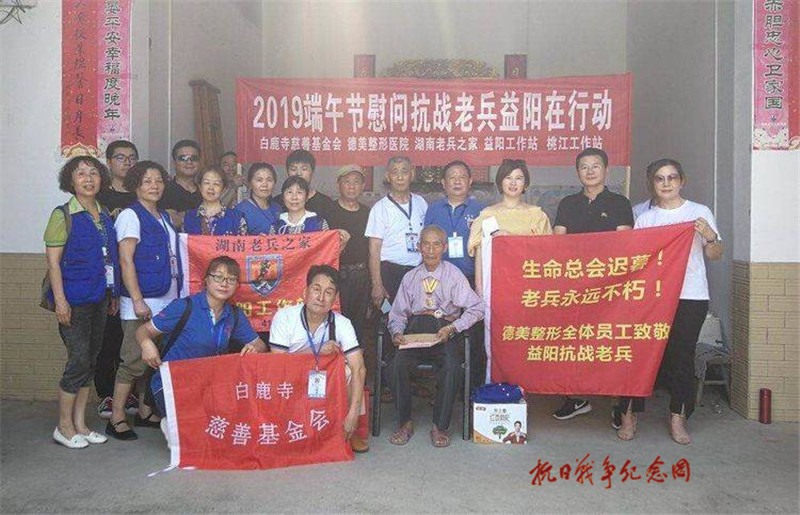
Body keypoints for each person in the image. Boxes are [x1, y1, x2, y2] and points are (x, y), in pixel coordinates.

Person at [631, 158, 723, 445]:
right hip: (654, 297)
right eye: (660, 178)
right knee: (643, 352)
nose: (666, 183)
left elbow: (715, 255)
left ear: (682, 181)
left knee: (682, 355)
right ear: (652, 184)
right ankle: (630, 412)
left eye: (672, 177)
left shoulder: (699, 212)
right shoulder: (646, 219)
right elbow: (637, 260)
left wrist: (710, 237)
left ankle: (678, 416)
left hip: (690, 295)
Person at [550, 147, 634, 425]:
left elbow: (623, 244)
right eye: (584, 167)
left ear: (606, 170)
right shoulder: (568, 204)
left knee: (610, 345)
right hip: (574, 286)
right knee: (573, 343)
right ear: (578, 172)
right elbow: (559, 242)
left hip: (610, 287)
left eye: (595, 166)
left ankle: (618, 403)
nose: (590, 171)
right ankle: (576, 398)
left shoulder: (620, 203)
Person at [43, 155, 120, 448]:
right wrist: (60, 301)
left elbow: (108, 259)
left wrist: (112, 294)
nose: (88, 179)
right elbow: (53, 264)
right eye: (81, 174)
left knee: (91, 360)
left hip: (100, 297)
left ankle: (81, 425)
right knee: (77, 362)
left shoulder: (104, 214)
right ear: (70, 181)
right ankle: (64, 427)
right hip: (73, 301)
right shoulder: (62, 215)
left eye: (94, 173)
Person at [387, 226, 485, 447]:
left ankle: (439, 426)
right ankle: (404, 423)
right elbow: (398, 314)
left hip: (444, 331)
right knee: (395, 366)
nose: (431, 250)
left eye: (436, 244)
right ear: (419, 247)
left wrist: (454, 327)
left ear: (445, 247)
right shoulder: (410, 277)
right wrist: (397, 332)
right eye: (426, 244)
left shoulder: (453, 275)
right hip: (415, 331)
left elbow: (478, 308)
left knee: (452, 366)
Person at [137, 256, 267, 422]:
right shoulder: (184, 307)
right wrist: (146, 344)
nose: (224, 283)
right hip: (173, 384)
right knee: (197, 426)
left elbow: (260, 345)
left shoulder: (234, 314)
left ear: (237, 286)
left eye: (231, 279)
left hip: (209, 385)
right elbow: (143, 330)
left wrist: (254, 349)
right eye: (218, 277)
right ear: (206, 280)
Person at [107, 161, 182, 441]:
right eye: (147, 181)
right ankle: (116, 417)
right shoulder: (130, 215)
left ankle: (144, 410)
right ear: (135, 185)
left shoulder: (162, 216)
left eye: (158, 180)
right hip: (143, 301)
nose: (154, 186)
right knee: (133, 360)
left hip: (166, 298)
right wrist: (137, 300)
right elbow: (126, 260)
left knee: (152, 359)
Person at [269, 265, 369, 453]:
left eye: (328, 292)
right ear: (305, 292)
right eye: (316, 289)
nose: (321, 297)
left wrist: (353, 414)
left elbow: (359, 368)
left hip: (324, 379)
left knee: (349, 371)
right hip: (291, 377)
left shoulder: (342, 323)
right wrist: (314, 351)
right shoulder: (285, 317)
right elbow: (277, 364)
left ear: (335, 298)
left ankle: (351, 431)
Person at [424, 160, 486, 386]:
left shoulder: (482, 210)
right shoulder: (433, 209)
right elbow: (426, 245)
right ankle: (444, 387)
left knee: (474, 334)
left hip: (471, 280)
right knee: (442, 330)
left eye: (462, 177)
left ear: (470, 181)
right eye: (452, 177)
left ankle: (472, 388)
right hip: (440, 281)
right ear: (443, 182)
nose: (457, 181)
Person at [95, 140, 140, 420]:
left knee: (130, 339)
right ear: (109, 162)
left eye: (132, 158)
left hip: (134, 278)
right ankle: (106, 396)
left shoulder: (140, 195)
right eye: (121, 157)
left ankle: (129, 393)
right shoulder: (99, 195)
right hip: (105, 277)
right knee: (107, 339)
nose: (127, 162)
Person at [468, 159, 552, 297]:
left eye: (518, 178)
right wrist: (480, 290)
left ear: (525, 184)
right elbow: (480, 256)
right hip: (496, 286)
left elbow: (545, 253)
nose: (513, 183)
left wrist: (510, 239)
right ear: (500, 182)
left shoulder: (537, 215)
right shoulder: (487, 215)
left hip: (529, 285)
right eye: (508, 178)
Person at [366, 155, 428, 307]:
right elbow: (374, 250)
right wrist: (377, 285)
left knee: (416, 315)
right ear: (388, 176)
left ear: (411, 174)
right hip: (390, 273)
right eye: (395, 172)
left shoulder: (421, 203)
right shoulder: (380, 208)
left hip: (417, 271)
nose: (400, 177)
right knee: (389, 315)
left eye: (404, 172)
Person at [326, 165, 372, 349]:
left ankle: (354, 361)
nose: (352, 186)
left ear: (363, 186)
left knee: (358, 324)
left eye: (356, 182)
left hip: (362, 275)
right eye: (347, 181)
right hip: (337, 276)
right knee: (334, 322)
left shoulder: (368, 212)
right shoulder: (328, 211)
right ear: (338, 185)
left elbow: (373, 248)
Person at [183, 167, 247, 235]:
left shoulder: (237, 218)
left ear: (223, 189)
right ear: (200, 187)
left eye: (216, 184)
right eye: (207, 183)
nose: (211, 187)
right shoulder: (188, 217)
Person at [273, 149, 334, 220]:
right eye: (293, 169)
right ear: (287, 171)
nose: (298, 173)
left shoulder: (325, 202)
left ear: (312, 171)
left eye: (304, 169)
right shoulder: (277, 202)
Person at [159, 139, 202, 229]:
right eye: (183, 158)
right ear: (174, 163)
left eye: (194, 158)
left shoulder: (206, 190)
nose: (189, 162)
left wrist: (183, 216)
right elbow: (170, 221)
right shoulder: (164, 190)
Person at [236, 163, 283, 235]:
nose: (264, 184)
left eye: (269, 180)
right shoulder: (241, 210)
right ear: (250, 184)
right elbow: (236, 240)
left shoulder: (277, 208)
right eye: (259, 180)